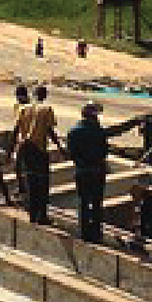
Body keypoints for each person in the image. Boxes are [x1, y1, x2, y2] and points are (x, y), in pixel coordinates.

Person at [65, 101, 142, 243]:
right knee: (96, 204)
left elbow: (71, 153)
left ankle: (84, 233)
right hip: (97, 171)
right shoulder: (98, 131)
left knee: (83, 203)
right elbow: (116, 131)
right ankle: (95, 234)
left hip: (81, 171)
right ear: (93, 116)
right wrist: (135, 121)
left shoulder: (73, 132)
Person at [14, 85, 65, 224]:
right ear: (45, 95)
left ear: (33, 94)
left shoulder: (23, 108)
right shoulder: (47, 109)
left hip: (25, 148)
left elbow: (16, 130)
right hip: (39, 150)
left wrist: (12, 149)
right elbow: (49, 131)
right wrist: (60, 147)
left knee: (31, 182)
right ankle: (41, 216)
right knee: (42, 183)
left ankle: (32, 215)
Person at [11, 84, 31, 202]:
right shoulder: (17, 106)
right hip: (21, 139)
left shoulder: (29, 107)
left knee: (22, 166)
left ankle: (25, 188)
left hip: (27, 140)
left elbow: (17, 127)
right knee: (18, 166)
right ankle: (22, 187)